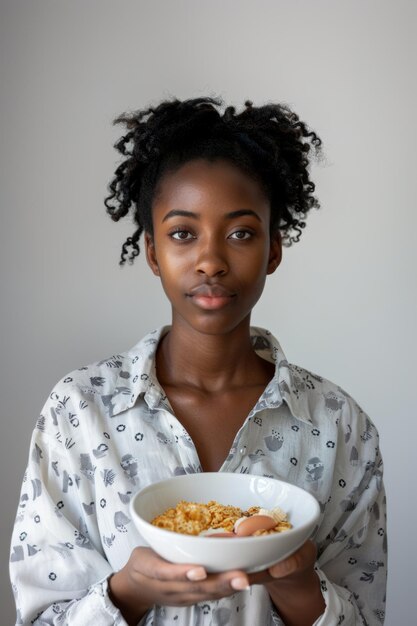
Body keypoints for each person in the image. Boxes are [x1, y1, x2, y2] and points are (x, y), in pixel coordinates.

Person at [9, 97, 387, 626]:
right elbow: (41, 617)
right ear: (152, 251)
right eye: (183, 233)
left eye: (241, 233)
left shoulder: (338, 425)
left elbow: (368, 617)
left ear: (274, 250)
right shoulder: (79, 412)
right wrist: (129, 592)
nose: (210, 260)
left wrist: (300, 586)